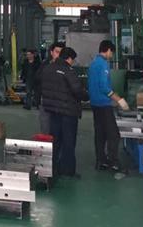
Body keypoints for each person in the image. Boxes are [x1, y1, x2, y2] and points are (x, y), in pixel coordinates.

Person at [40, 46, 88, 178]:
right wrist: (86, 96)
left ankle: (53, 168)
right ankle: (68, 170)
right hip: (68, 111)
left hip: (53, 110)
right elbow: (77, 90)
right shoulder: (67, 70)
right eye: (73, 60)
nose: (73, 62)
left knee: (55, 140)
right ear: (69, 58)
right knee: (69, 141)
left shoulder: (48, 68)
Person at [88, 39, 130, 172]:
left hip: (94, 104)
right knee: (113, 135)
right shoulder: (103, 64)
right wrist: (119, 100)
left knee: (100, 134)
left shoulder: (93, 63)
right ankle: (114, 162)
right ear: (108, 50)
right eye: (111, 53)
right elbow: (104, 87)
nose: (111, 56)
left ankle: (101, 161)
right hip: (103, 104)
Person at [35, 42, 65, 134]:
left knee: (58, 128)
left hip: (60, 101)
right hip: (46, 99)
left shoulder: (65, 66)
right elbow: (37, 78)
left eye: (61, 52)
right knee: (46, 126)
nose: (59, 55)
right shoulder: (45, 64)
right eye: (57, 52)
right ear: (51, 52)